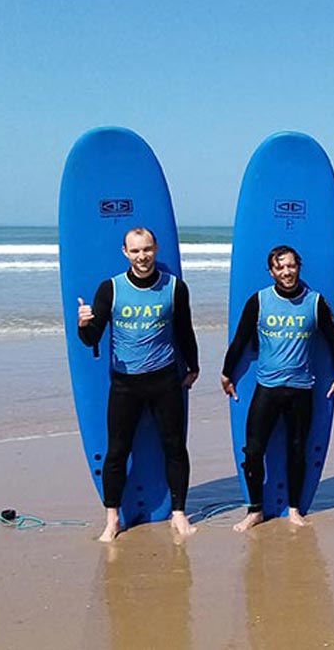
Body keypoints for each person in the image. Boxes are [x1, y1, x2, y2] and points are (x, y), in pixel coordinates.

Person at [77, 227, 200, 542]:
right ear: (125, 253)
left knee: (174, 447)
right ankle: (112, 518)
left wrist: (194, 366)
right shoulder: (111, 289)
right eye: (135, 251)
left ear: (156, 248)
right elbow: (93, 339)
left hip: (164, 380)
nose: (142, 256)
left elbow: (184, 331)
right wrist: (84, 324)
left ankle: (178, 513)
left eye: (146, 249)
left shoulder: (174, 288)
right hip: (125, 385)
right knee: (117, 452)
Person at [221, 245, 334, 531]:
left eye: (291, 266)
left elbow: (333, 340)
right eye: (280, 267)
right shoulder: (260, 301)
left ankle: (293, 510)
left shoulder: (314, 302)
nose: (286, 272)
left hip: (301, 390)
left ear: (298, 266)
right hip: (267, 388)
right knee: (252, 451)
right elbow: (240, 340)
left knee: (297, 450)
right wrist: (227, 374)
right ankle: (255, 510)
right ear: (272, 271)